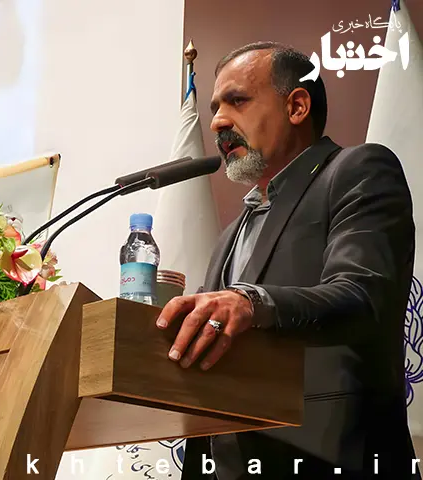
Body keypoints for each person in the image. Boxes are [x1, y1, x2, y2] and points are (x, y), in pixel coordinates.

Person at [156, 41, 420, 479]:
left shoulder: (358, 170)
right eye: (215, 107)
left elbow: (362, 295)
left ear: (297, 106)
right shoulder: (230, 234)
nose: (217, 121)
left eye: (237, 101)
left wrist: (252, 302)